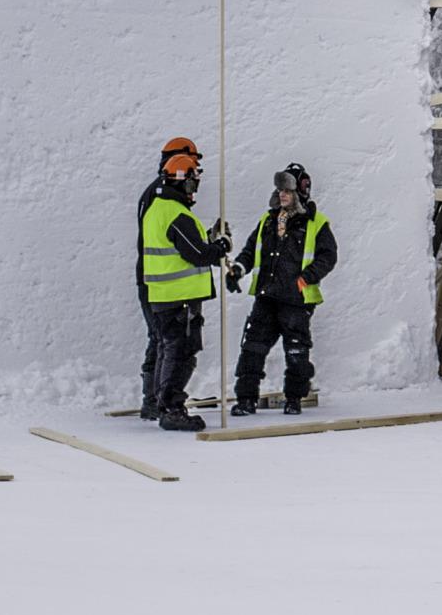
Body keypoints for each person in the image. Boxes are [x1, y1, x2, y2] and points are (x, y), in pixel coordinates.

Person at [227, 162, 337, 416]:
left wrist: (306, 278)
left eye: (287, 190)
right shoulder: (268, 220)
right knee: (252, 347)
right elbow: (250, 250)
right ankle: (246, 400)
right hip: (267, 296)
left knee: (296, 351)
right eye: (280, 190)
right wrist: (238, 270)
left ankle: (294, 400)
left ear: (300, 191)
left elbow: (328, 256)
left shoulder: (316, 223)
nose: (282, 194)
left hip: (296, 300)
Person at [138, 147, 231, 433]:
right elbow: (197, 254)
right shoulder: (175, 213)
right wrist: (221, 246)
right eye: (193, 184)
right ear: (184, 182)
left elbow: (182, 247)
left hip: (164, 295)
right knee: (181, 353)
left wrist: (208, 240)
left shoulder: (157, 209)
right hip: (179, 297)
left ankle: (161, 403)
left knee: (168, 349)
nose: (195, 191)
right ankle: (172, 409)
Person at [136, 135, 197, 422]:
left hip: (153, 278)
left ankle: (155, 400)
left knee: (161, 340)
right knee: (166, 342)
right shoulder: (164, 198)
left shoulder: (158, 193)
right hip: (160, 282)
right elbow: (179, 243)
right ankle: (158, 402)